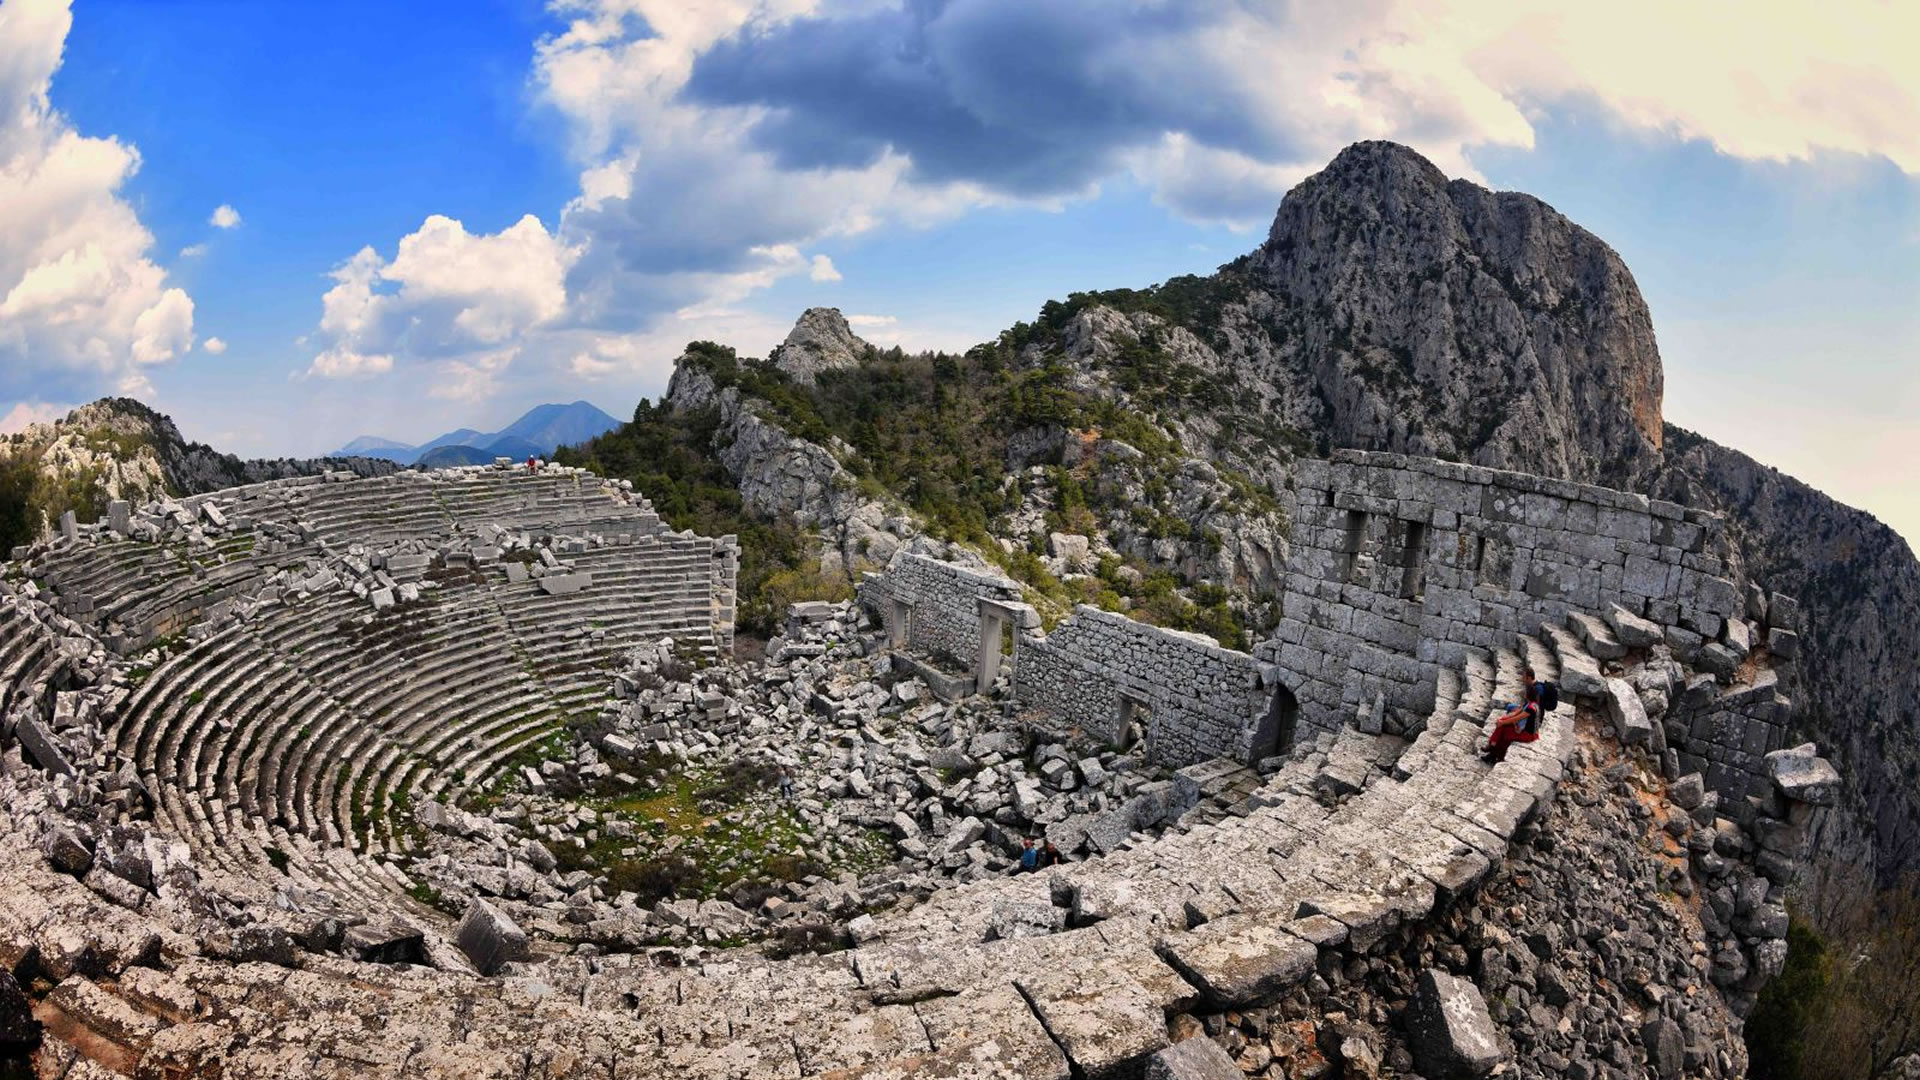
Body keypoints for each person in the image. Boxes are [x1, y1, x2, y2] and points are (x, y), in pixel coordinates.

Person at [1482, 676, 1541, 763]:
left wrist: (1502, 722)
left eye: (1525, 692)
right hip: (1523, 729)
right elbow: (1515, 713)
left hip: (1528, 734)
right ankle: (1493, 752)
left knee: (1505, 732)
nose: (1524, 694)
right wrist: (1502, 719)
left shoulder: (1531, 708)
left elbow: (1516, 718)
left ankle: (1493, 750)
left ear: (1528, 694)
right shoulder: (1530, 703)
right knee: (1503, 726)